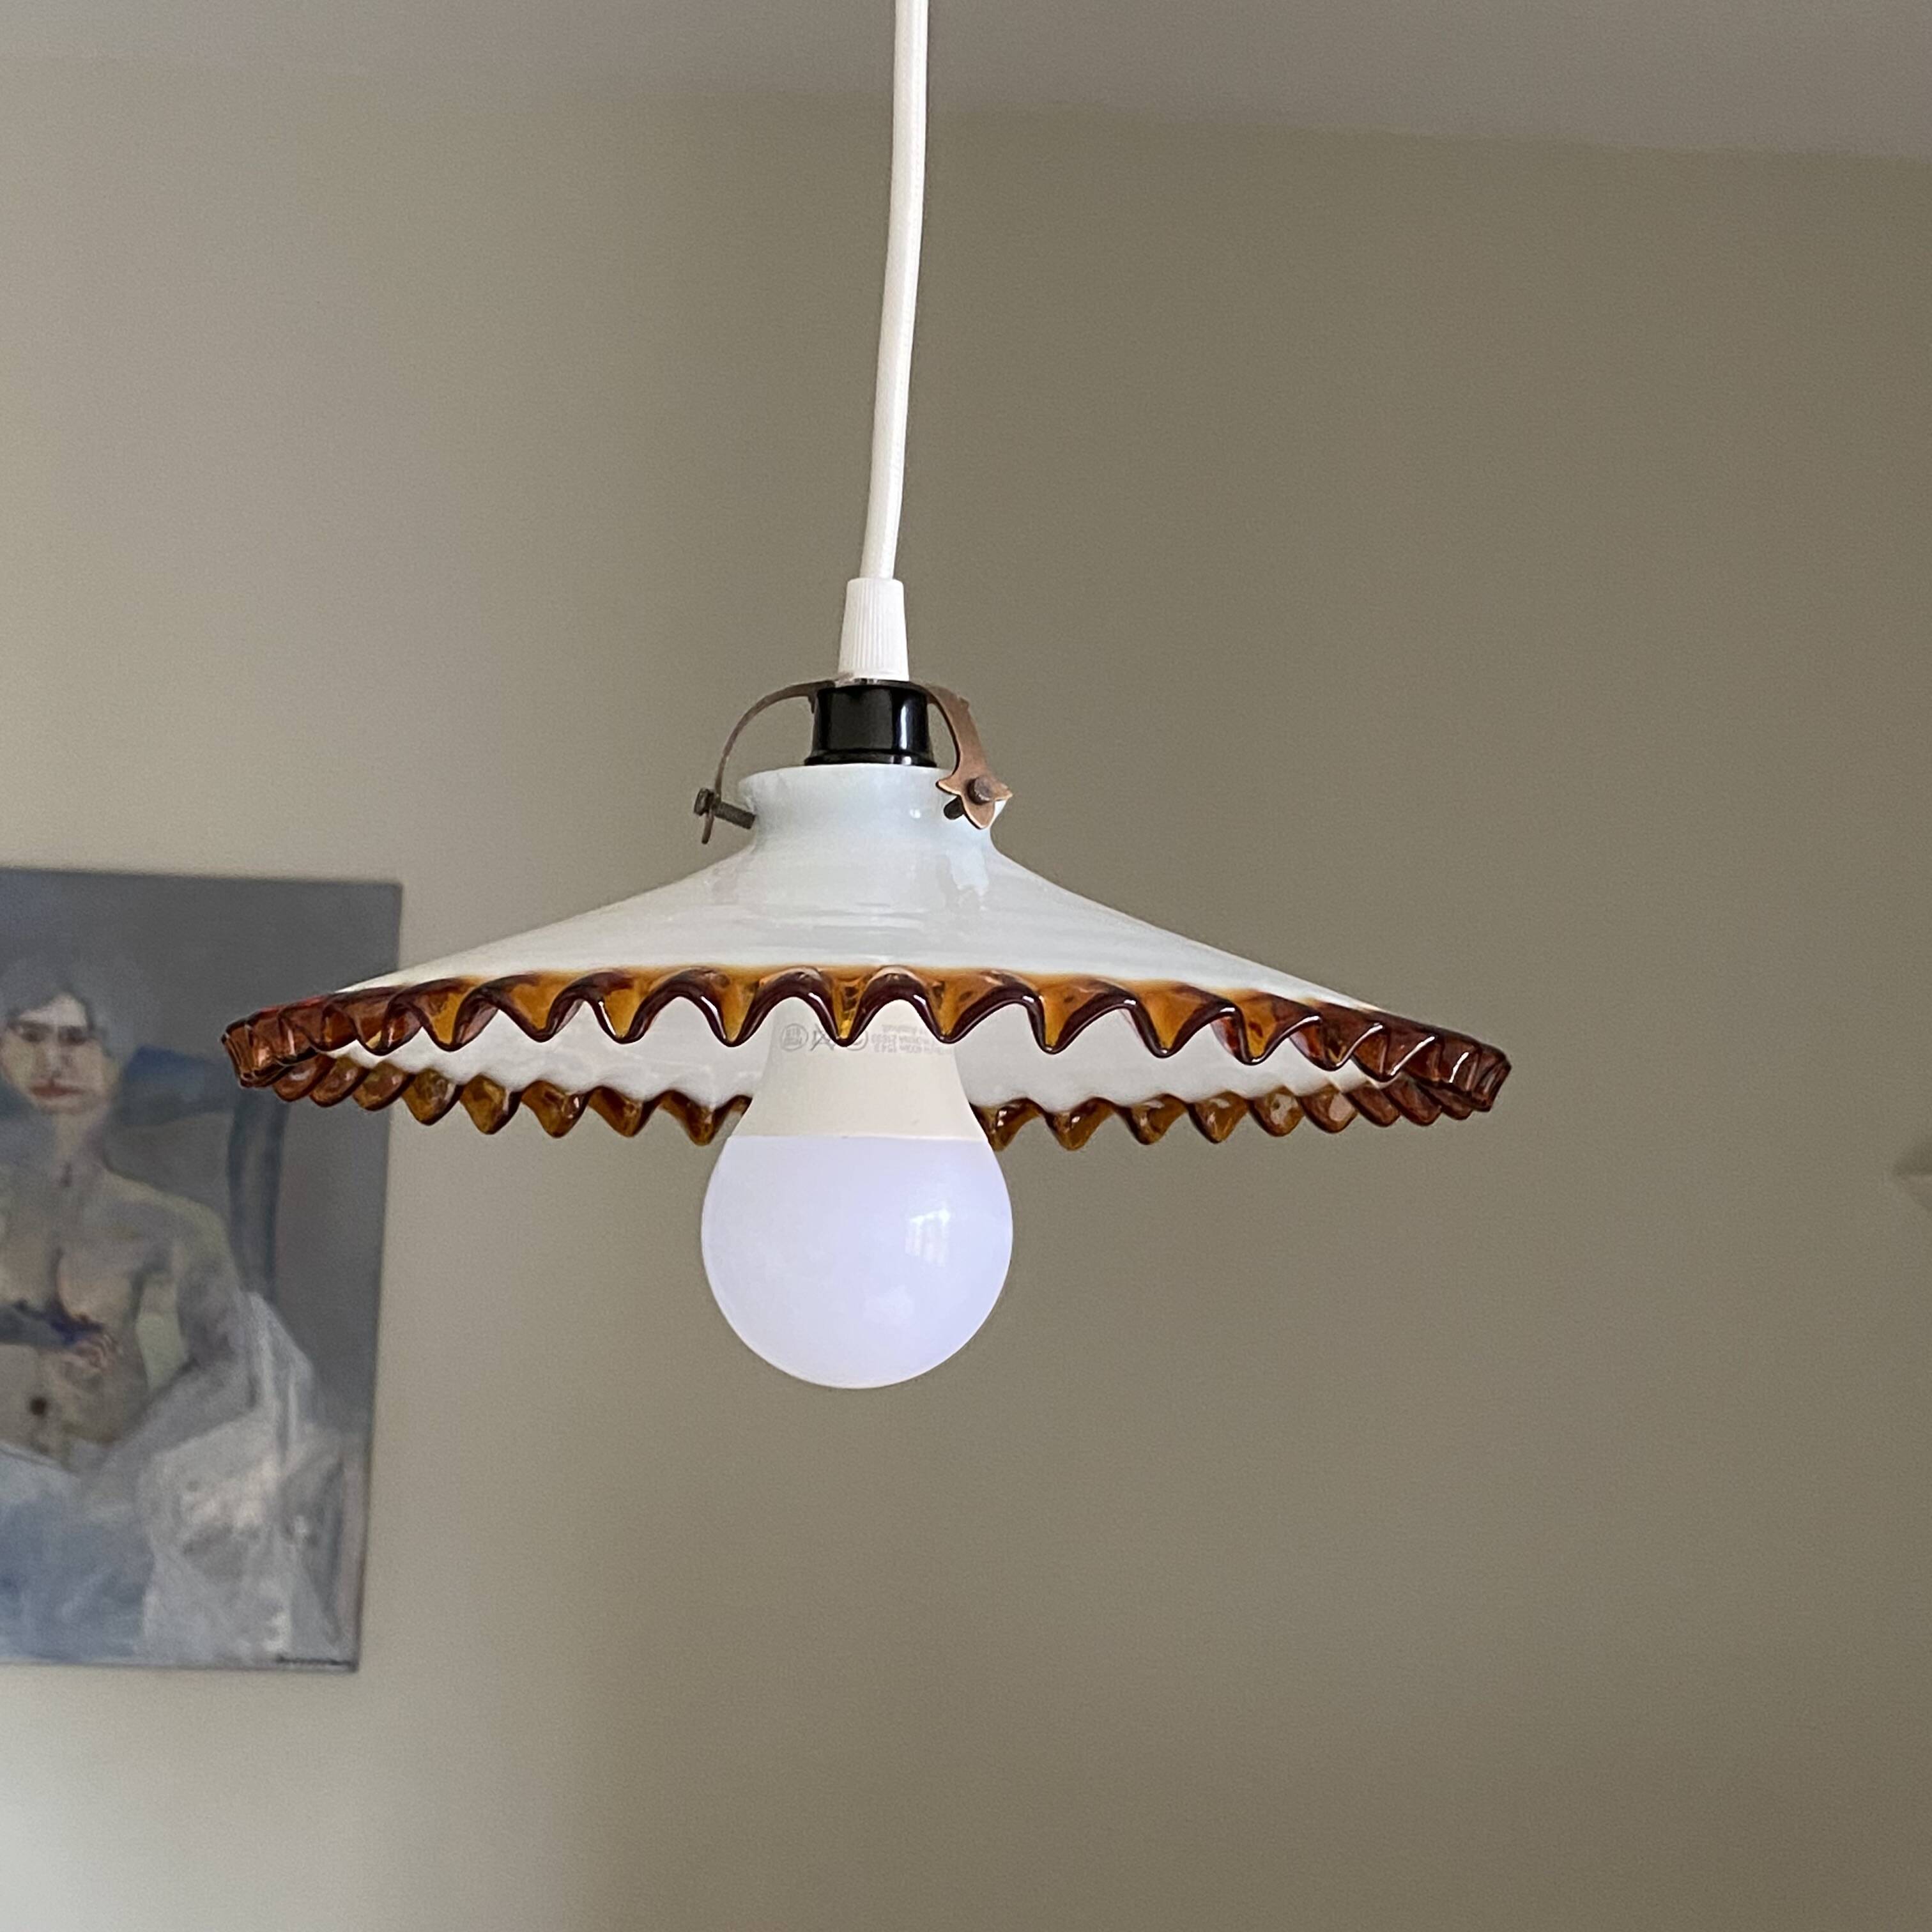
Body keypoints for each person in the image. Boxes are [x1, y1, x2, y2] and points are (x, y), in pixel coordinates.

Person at [0, 959, 357, 1665]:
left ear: (118, 1058)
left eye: (79, 1041)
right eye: (29, 1034)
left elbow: (242, 1375)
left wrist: (128, 1406)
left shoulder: (175, 1227)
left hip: (101, 1506)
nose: (51, 1062)